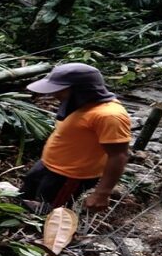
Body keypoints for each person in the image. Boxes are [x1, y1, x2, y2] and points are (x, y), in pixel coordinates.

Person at [21, 63, 131, 212]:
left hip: (70, 177)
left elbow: (118, 156)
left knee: (50, 212)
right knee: (25, 198)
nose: (54, 94)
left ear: (80, 90)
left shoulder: (109, 116)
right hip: (49, 165)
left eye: (59, 90)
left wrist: (102, 193)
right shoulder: (78, 104)